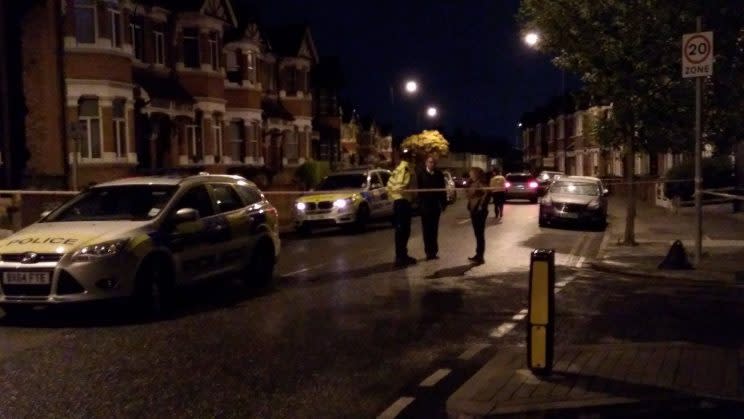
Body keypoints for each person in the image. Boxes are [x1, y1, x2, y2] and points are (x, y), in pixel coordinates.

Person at [388, 148, 418, 267]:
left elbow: (389, 184)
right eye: (413, 157)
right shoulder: (406, 168)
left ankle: (402, 255)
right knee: (403, 231)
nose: (414, 159)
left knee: (402, 231)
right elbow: (401, 185)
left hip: (399, 201)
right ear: (409, 158)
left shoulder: (398, 168)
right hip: (403, 202)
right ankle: (401, 257)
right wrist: (407, 192)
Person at [417, 155, 447, 260]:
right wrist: (419, 205)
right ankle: (428, 252)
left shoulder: (439, 174)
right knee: (426, 230)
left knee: (434, 230)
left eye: (433, 162)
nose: (432, 164)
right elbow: (418, 191)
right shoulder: (421, 174)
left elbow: (442, 189)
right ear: (426, 163)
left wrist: (443, 204)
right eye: (430, 162)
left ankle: (433, 252)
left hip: (435, 206)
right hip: (425, 206)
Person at [466, 167, 489, 265]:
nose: (470, 175)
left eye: (471, 173)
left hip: (479, 212)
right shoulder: (474, 183)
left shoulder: (480, 183)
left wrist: (481, 205)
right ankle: (478, 254)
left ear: (476, 174)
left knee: (479, 234)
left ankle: (480, 256)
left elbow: (487, 193)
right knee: (478, 234)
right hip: (474, 211)